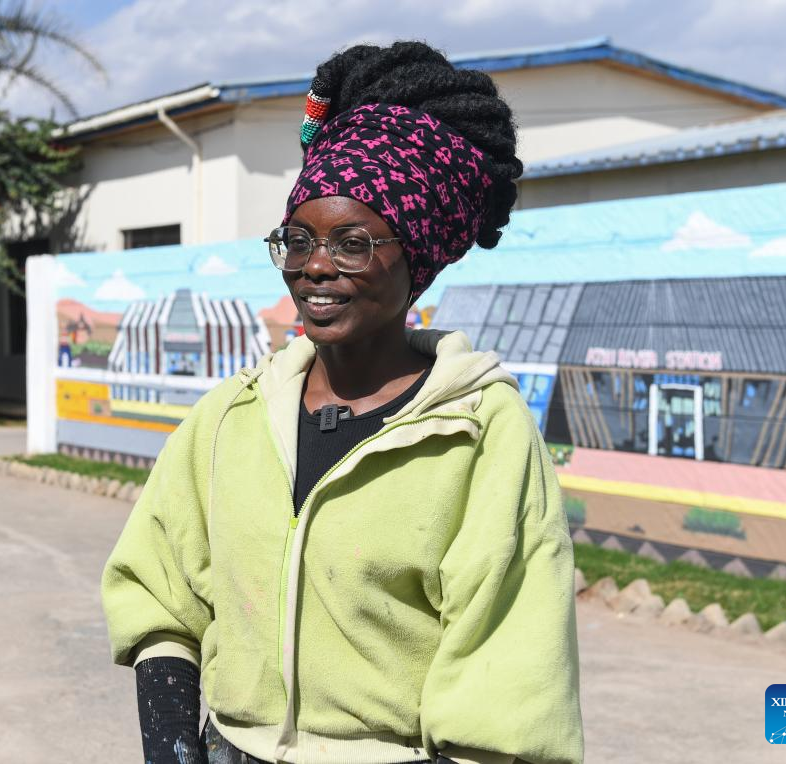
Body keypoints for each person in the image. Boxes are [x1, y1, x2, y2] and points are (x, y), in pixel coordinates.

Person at [102, 41, 583, 764]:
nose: (316, 267)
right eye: (298, 240)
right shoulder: (232, 417)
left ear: (417, 255)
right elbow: (159, 590)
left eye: (353, 243)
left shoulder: (478, 434)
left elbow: (507, 672)